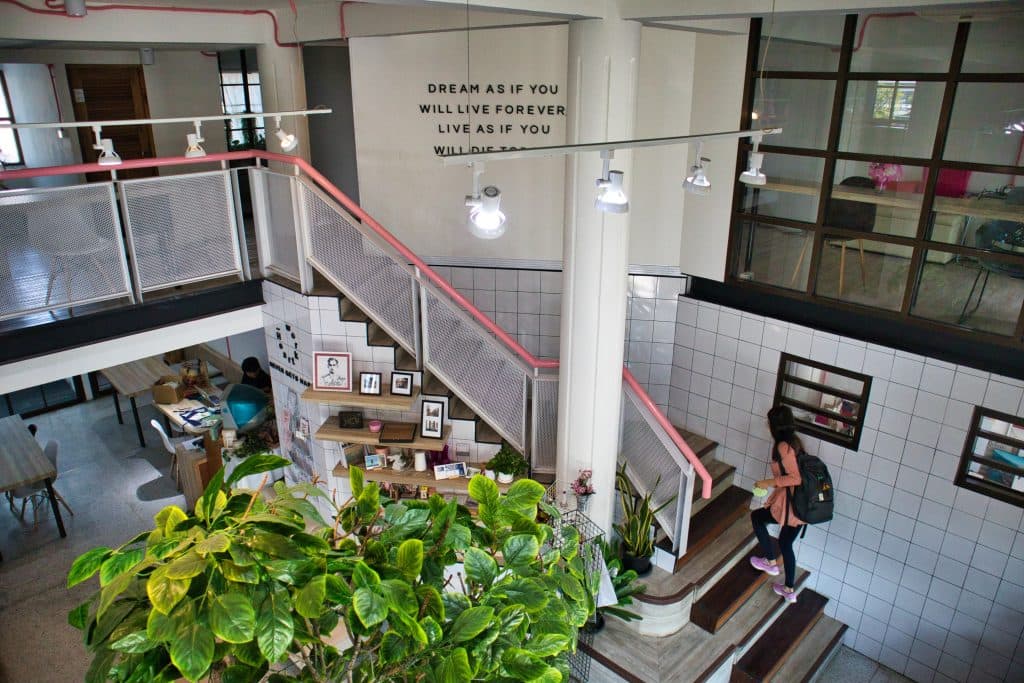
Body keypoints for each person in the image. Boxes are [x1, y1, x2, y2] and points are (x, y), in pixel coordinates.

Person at [749, 429, 805, 603]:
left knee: (757, 517)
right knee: (786, 543)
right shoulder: (796, 444)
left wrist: (767, 482)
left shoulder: (783, 446)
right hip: (803, 508)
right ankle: (789, 590)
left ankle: (770, 562)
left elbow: (794, 478)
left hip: (790, 507)